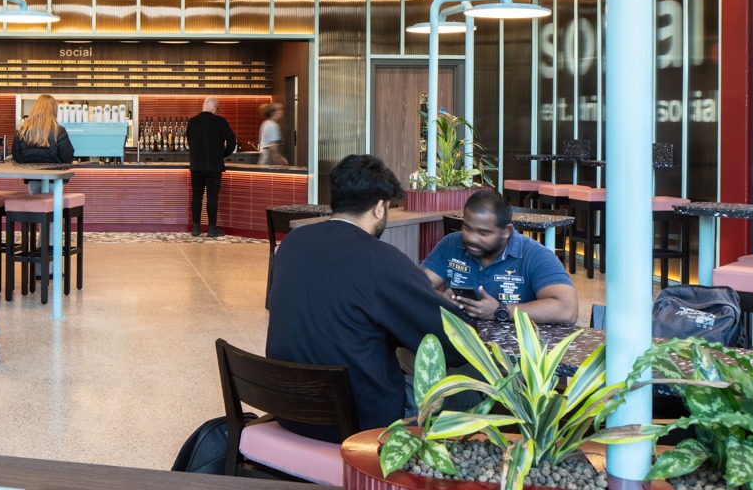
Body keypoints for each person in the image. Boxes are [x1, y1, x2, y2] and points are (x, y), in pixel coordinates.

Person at [266, 153, 460, 438]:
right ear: (379, 208)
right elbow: (453, 344)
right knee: (470, 390)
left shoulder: (292, 244)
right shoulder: (382, 259)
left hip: (289, 410)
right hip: (358, 422)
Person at [420, 189, 578, 326]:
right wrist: (443, 299)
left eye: (484, 233)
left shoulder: (535, 255)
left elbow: (567, 310)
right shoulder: (452, 244)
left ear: (506, 231)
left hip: (514, 348)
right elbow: (417, 286)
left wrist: (500, 311)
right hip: (460, 341)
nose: (471, 238)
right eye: (467, 228)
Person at [185, 96, 236, 238]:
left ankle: (196, 228)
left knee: (197, 195)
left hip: (197, 165)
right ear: (214, 108)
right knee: (212, 197)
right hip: (214, 165)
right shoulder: (220, 121)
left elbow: (189, 141)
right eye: (217, 109)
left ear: (204, 105)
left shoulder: (192, 122)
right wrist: (223, 154)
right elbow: (232, 142)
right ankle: (212, 229)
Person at [12, 94, 75, 166]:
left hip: (27, 171)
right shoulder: (59, 131)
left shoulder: (21, 130)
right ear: (54, 110)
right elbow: (67, 158)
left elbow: (16, 157)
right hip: (52, 171)